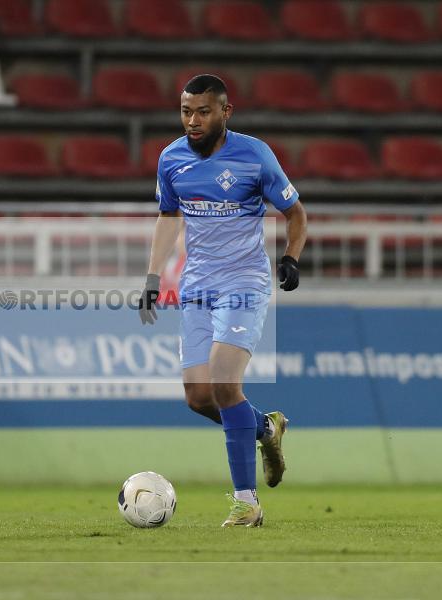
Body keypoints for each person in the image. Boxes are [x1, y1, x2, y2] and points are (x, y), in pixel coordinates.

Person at [139, 74, 307, 528]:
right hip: (197, 287)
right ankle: (266, 429)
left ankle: (246, 502)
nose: (193, 121)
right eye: (186, 111)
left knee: (224, 383)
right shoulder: (171, 159)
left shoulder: (254, 156)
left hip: (244, 283)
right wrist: (154, 275)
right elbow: (169, 215)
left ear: (225, 113)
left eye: (203, 112)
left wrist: (291, 257)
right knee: (198, 397)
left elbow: (296, 213)